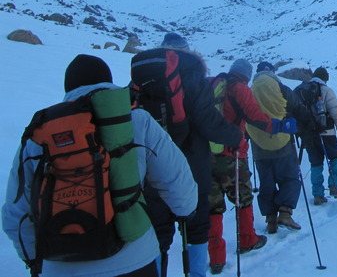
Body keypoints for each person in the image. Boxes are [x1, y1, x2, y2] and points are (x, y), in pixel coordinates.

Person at [3, 54, 197, 277]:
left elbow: (15, 214)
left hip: (61, 265)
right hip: (134, 258)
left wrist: (34, 260)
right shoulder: (136, 119)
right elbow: (178, 179)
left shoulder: (41, 133)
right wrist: (185, 212)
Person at [141, 33, 243, 277]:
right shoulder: (194, 77)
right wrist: (235, 136)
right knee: (196, 229)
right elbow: (208, 122)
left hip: (152, 170)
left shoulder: (143, 78)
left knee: (158, 234)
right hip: (192, 168)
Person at [207, 59, 295, 275]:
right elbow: (255, 117)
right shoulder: (240, 89)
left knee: (213, 206)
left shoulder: (212, 84)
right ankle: (247, 239)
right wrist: (280, 125)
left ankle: (216, 258)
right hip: (233, 154)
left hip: (207, 154)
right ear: (245, 75)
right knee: (242, 199)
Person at [249, 62, 303, 234]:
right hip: (282, 141)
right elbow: (297, 107)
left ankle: (270, 220)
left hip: (258, 145)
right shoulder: (281, 87)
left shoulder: (250, 91)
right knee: (289, 177)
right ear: (272, 71)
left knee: (267, 182)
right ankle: (285, 213)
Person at [295, 67, 337, 205]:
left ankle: (317, 194)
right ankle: (334, 186)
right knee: (335, 158)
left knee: (316, 163)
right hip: (326, 133)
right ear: (325, 78)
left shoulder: (301, 90)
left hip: (308, 135)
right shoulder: (326, 90)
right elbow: (336, 112)